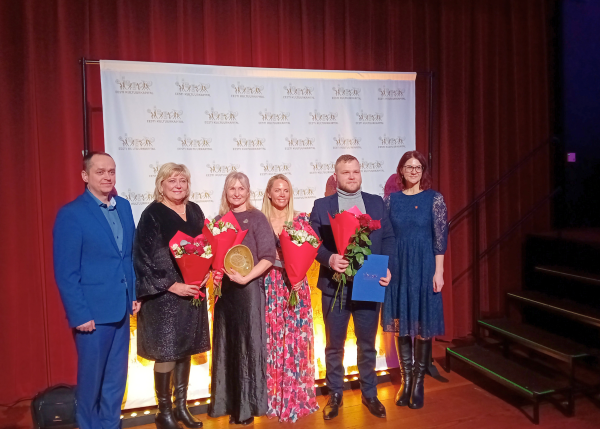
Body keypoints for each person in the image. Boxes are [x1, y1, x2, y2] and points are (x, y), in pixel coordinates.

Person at [53, 152, 140, 429]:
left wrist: (134, 294)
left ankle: (110, 425)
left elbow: (128, 256)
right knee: (91, 383)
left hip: (121, 308)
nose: (107, 177)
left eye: (111, 171)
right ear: (85, 176)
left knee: (116, 380)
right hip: (92, 314)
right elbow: (66, 272)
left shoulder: (123, 206)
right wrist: (79, 314)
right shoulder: (71, 214)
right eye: (100, 172)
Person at [309, 154, 394, 420]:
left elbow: (389, 237)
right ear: (336, 177)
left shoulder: (376, 203)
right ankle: (335, 393)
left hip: (369, 283)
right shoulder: (322, 206)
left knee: (367, 344)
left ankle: (370, 393)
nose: (352, 176)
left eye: (355, 171)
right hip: (335, 286)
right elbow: (312, 242)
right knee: (334, 345)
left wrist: (388, 268)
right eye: (346, 172)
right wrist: (329, 258)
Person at [134, 163, 210, 429]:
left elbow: (206, 246)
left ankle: (181, 407)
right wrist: (171, 285)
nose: (178, 185)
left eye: (183, 180)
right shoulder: (152, 214)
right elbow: (142, 258)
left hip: (193, 292)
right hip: (164, 297)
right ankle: (163, 411)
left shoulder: (195, 210)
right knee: (166, 352)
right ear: (161, 185)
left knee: (184, 349)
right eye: (172, 180)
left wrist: (207, 272)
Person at [208, 172, 276, 426]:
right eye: (232, 188)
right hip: (225, 295)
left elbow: (268, 257)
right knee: (226, 345)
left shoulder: (257, 218)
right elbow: (213, 257)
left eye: (241, 188)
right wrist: (214, 274)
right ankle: (226, 404)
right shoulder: (219, 221)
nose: (236, 193)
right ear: (226, 192)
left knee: (247, 347)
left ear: (248, 192)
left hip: (248, 292)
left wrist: (247, 278)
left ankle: (246, 408)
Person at [382, 150, 448, 410]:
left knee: (422, 323)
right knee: (401, 323)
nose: (413, 171)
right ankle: (406, 381)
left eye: (418, 167)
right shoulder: (391, 200)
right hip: (398, 267)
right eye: (408, 167)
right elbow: (386, 237)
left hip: (424, 266)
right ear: (401, 170)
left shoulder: (435, 199)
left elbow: (440, 238)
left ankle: (419, 382)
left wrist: (439, 271)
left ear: (423, 171)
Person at [260, 174, 319, 422]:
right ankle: (272, 398)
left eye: (286, 190)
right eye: (277, 190)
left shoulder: (301, 219)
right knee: (272, 339)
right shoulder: (260, 221)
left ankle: (295, 396)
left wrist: (298, 274)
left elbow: (311, 251)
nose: (282, 194)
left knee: (295, 338)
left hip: (296, 285)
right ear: (269, 193)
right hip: (270, 283)